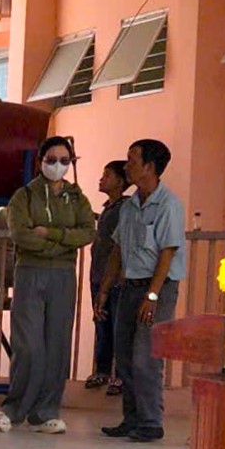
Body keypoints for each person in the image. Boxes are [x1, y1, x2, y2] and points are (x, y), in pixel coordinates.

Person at [0, 136, 96, 435]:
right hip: (30, 272)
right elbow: (21, 234)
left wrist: (50, 234)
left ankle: (46, 412)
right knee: (28, 345)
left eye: (65, 160)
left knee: (57, 345)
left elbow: (87, 232)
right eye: (52, 160)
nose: (58, 166)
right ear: (41, 161)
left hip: (63, 276)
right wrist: (62, 242)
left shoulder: (77, 198)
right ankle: (13, 409)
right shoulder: (24, 196)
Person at [106, 139, 185, 444]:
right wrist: (105, 289)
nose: (127, 166)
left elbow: (167, 253)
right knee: (124, 354)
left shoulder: (168, 205)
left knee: (146, 355)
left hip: (158, 288)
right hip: (130, 285)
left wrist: (152, 296)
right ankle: (131, 418)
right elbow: (118, 248)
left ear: (150, 167)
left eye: (132, 161)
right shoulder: (129, 206)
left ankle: (151, 421)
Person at [83, 161, 128, 393]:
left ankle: (119, 374)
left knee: (117, 325)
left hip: (115, 277)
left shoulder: (125, 208)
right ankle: (102, 369)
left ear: (120, 181)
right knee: (101, 323)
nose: (102, 179)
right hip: (98, 274)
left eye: (107, 175)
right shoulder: (109, 209)